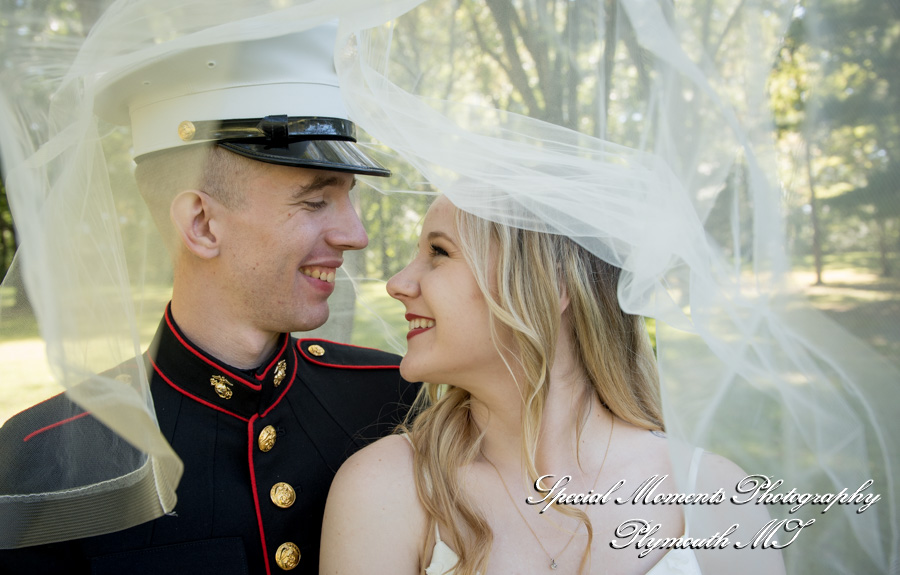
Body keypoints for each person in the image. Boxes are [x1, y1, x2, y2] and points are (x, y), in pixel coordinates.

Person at [0, 22, 417, 575]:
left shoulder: (397, 401)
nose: (355, 235)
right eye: (315, 201)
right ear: (201, 223)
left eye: (349, 198)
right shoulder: (45, 461)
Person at [319, 195, 787, 575]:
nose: (398, 283)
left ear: (550, 284)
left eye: (439, 253)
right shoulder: (386, 488)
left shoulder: (714, 494)